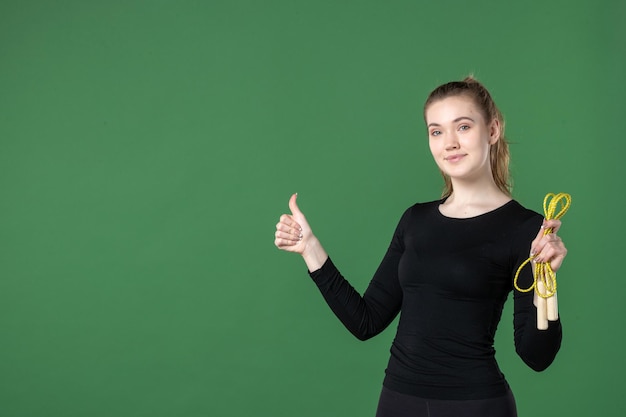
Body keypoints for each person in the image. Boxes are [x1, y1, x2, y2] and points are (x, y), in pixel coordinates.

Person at [273, 76, 567, 417]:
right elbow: (366, 321)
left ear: (492, 130)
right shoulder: (415, 220)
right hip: (398, 402)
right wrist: (310, 249)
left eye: (464, 127)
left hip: (476, 406)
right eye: (437, 131)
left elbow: (537, 356)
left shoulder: (525, 228)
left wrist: (548, 283)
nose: (450, 143)